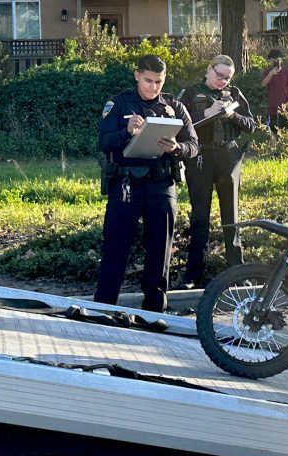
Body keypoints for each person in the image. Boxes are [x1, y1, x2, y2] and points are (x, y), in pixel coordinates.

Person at [95, 55, 198, 312]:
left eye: (158, 82)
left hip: (161, 185)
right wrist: (126, 132)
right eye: (148, 81)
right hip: (126, 184)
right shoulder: (118, 104)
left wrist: (177, 148)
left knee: (160, 250)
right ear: (137, 75)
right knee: (115, 248)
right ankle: (103, 308)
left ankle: (154, 311)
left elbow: (194, 145)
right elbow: (103, 142)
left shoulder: (174, 106)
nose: (153, 87)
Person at [176, 55, 256, 288]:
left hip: (228, 156)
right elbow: (178, 126)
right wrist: (207, 113)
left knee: (231, 215)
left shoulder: (235, 93)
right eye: (219, 75)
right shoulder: (190, 93)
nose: (222, 81)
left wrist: (232, 115)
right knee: (200, 215)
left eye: (227, 77)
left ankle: (236, 271)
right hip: (200, 156)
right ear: (209, 69)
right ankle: (193, 274)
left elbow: (251, 125)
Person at [261, 49, 288, 134]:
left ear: (281, 60)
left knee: (287, 129)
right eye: (273, 60)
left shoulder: (287, 72)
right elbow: (263, 84)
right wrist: (270, 74)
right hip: (272, 106)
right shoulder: (267, 72)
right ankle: (274, 143)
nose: (276, 62)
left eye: (278, 60)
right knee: (273, 130)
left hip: (285, 106)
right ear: (270, 61)